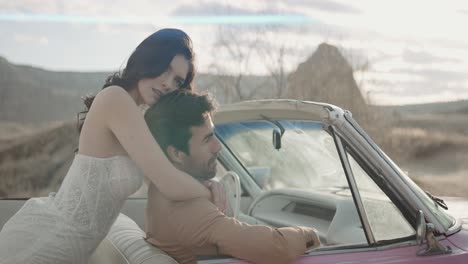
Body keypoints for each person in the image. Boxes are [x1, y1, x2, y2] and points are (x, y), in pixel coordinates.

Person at [0, 28, 219, 264]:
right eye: (165, 69)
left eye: (177, 80)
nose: (168, 83)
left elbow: (170, 174)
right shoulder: (116, 99)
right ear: (148, 59)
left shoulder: (138, 116)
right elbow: (168, 182)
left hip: (74, 248)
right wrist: (214, 192)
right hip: (50, 240)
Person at [144, 90, 321, 264]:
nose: (218, 146)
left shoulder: (159, 189)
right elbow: (278, 246)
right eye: (207, 139)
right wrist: (311, 234)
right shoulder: (189, 209)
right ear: (176, 154)